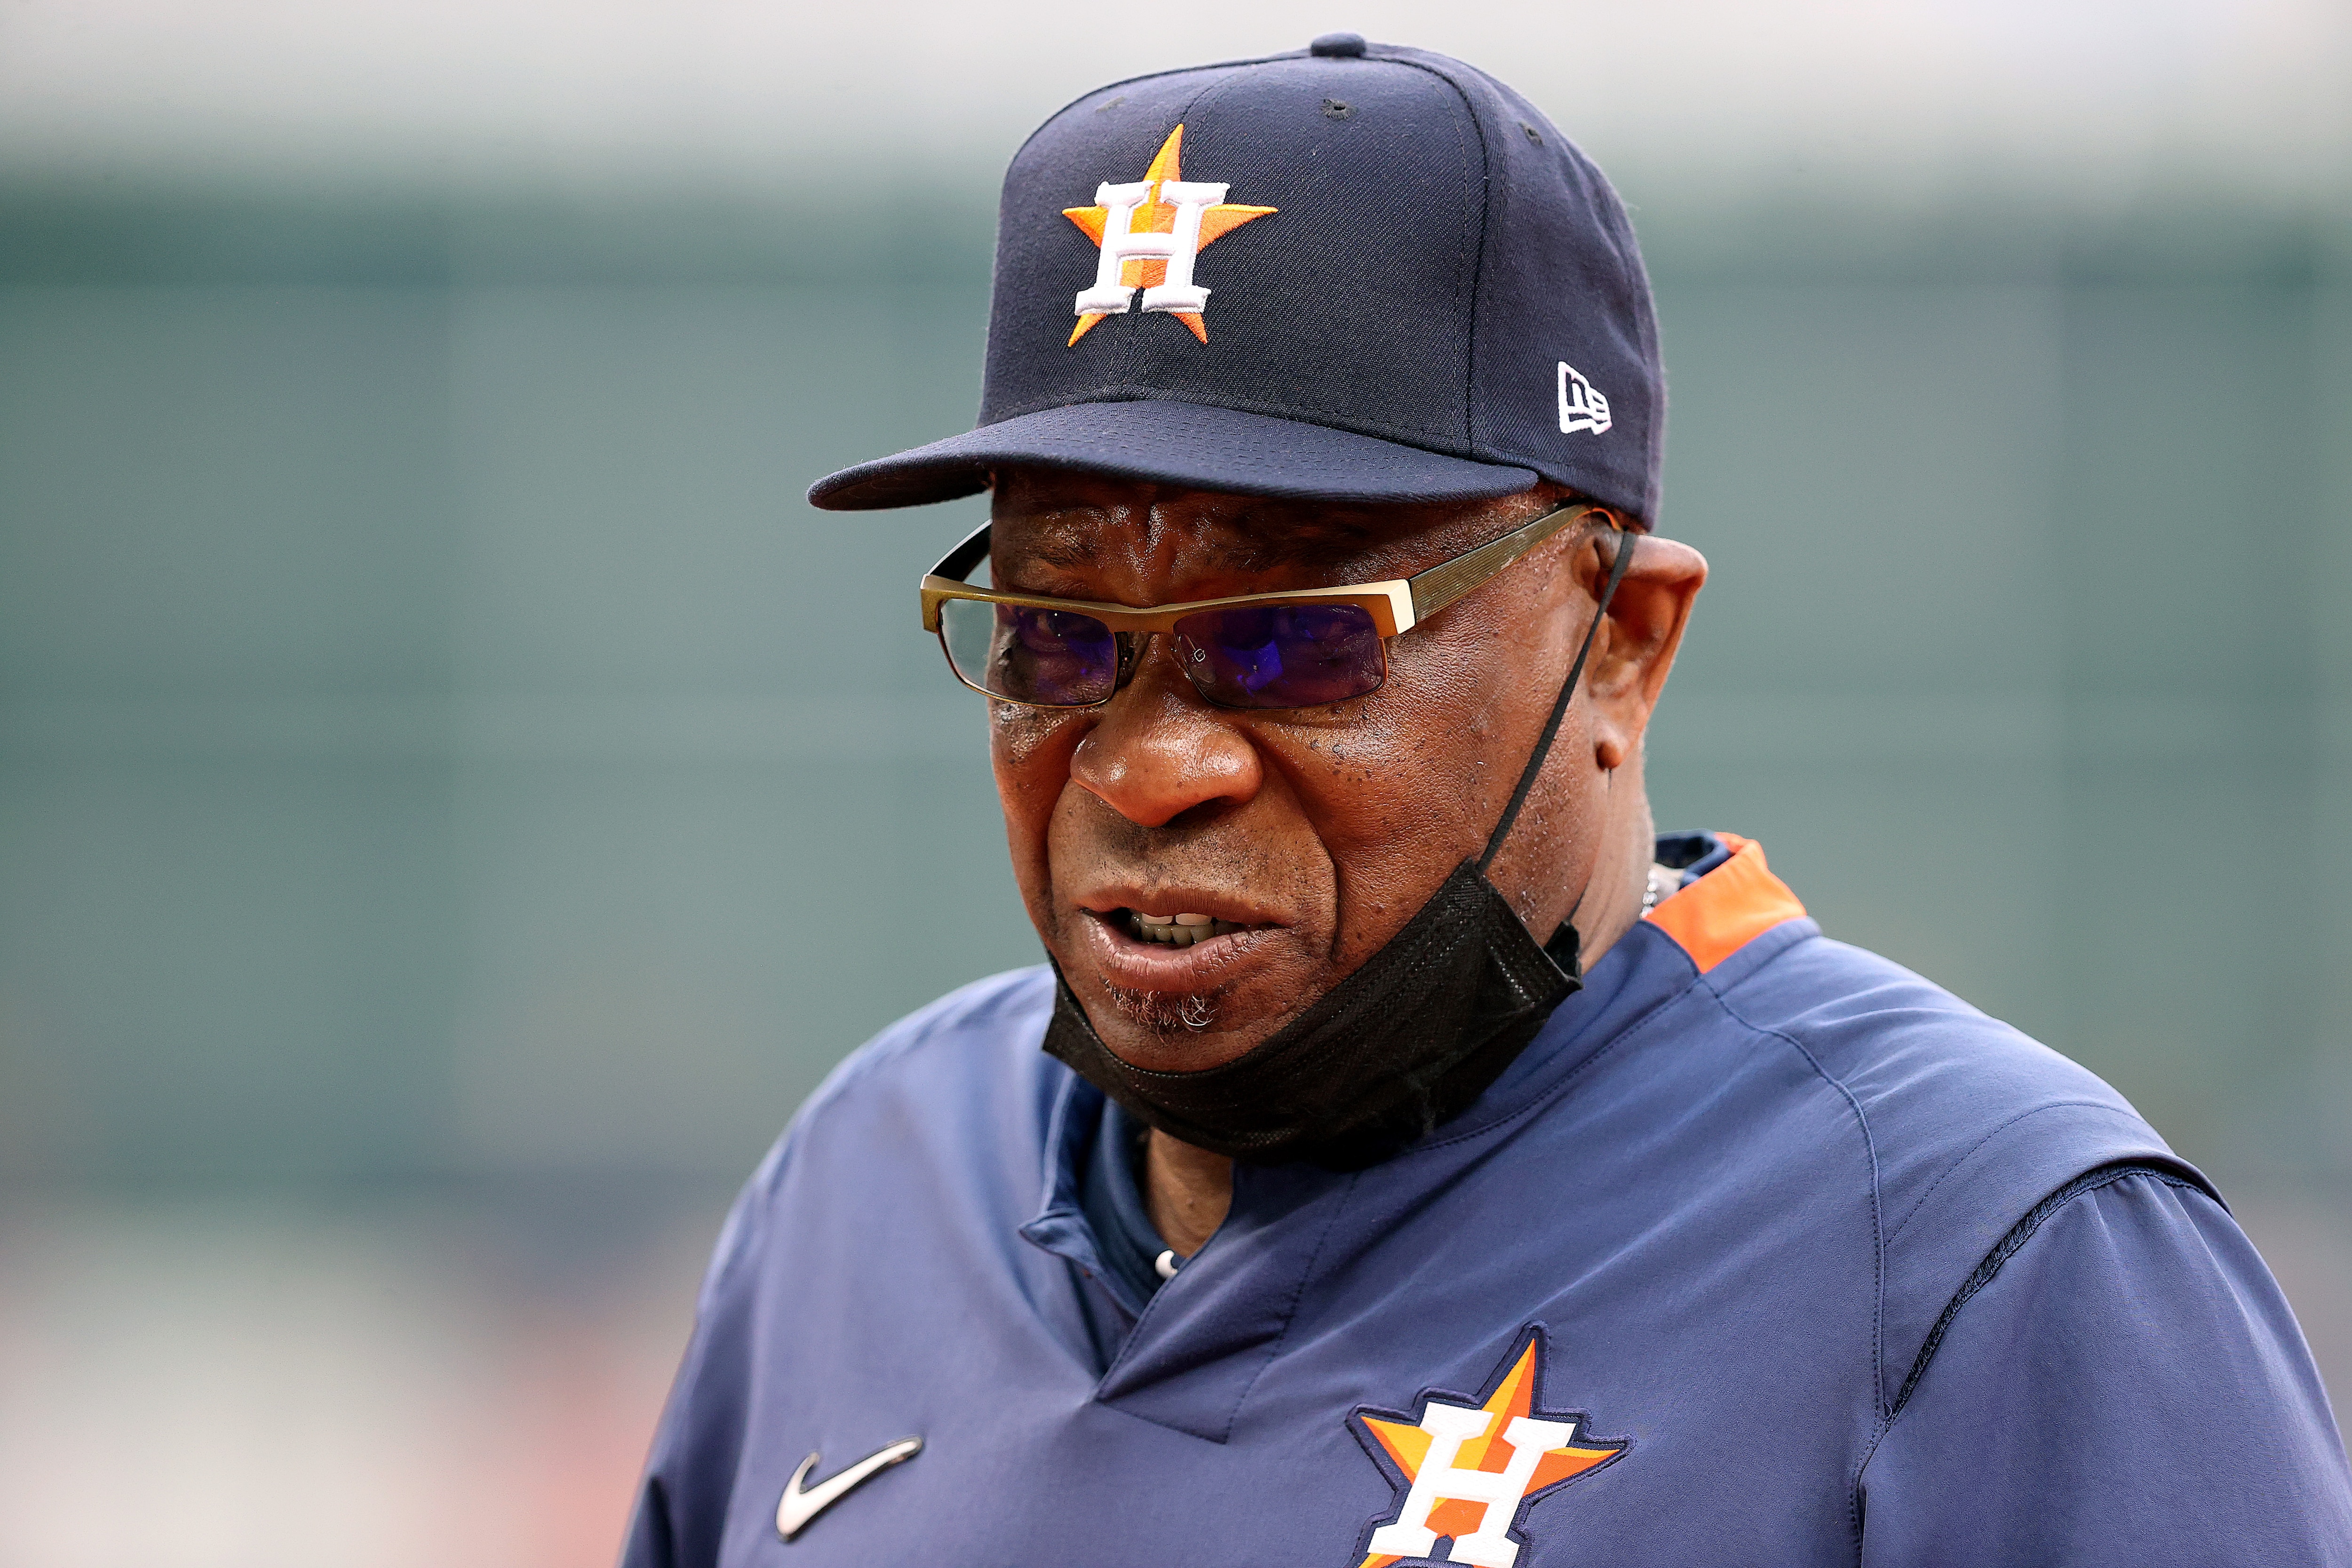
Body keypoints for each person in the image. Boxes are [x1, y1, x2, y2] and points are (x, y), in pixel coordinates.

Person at [622, 35, 2352, 1567]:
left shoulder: (1991, 1263)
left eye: (1297, 642)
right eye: (1060, 637)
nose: (1152, 768)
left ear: (1621, 643)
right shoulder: (869, 1180)